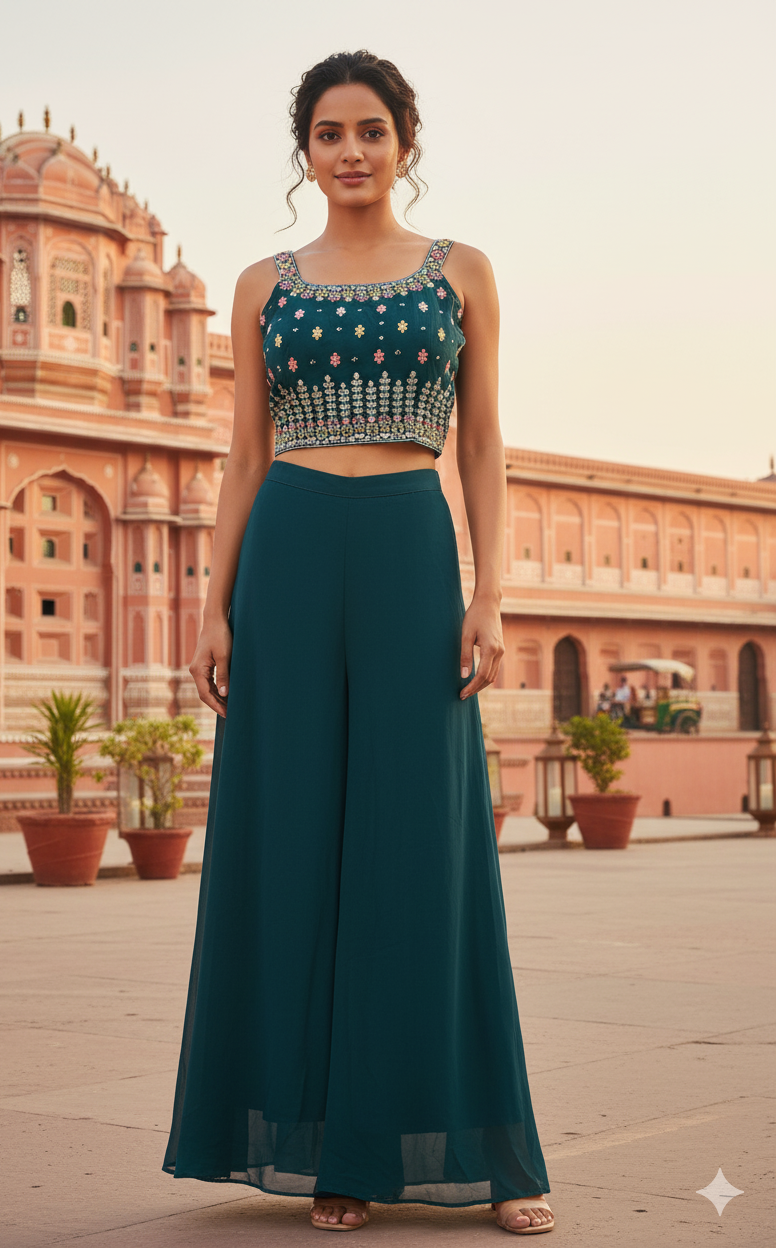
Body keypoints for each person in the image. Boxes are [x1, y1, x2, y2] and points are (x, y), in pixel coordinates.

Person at [163, 50, 554, 1236]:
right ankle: (332, 1149)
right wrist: (214, 603)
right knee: (290, 840)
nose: (349, 151)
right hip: (285, 549)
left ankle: (496, 1155)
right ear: (305, 150)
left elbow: (480, 443)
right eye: (328, 134)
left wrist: (490, 593)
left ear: (405, 142)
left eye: (370, 131)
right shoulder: (262, 283)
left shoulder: (463, 272)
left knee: (424, 846)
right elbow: (241, 452)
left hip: (405, 549)